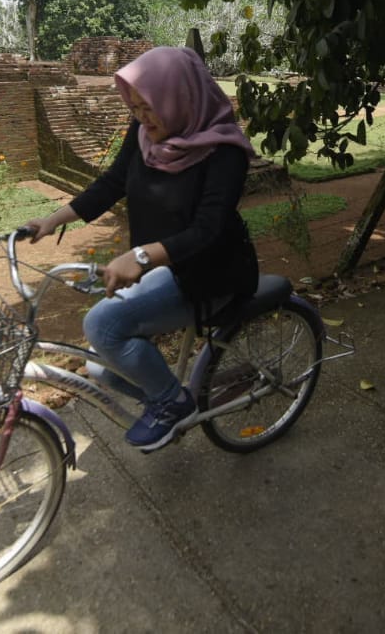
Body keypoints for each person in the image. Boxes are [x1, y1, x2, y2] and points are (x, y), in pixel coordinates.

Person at [23, 46, 259, 452]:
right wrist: (52, 221)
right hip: (167, 269)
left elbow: (209, 229)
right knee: (100, 363)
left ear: (179, 98)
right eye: (133, 108)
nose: (141, 119)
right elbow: (112, 183)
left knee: (102, 326)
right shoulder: (145, 137)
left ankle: (171, 402)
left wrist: (142, 256)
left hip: (212, 273)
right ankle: (163, 391)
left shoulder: (224, 153)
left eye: (149, 108)